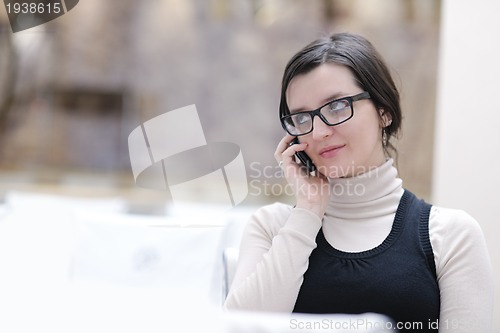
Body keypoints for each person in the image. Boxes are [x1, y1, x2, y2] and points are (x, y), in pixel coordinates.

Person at [224, 33, 494, 332]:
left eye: (337, 106)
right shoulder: (272, 226)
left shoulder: (450, 234)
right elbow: (239, 327)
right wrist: (309, 210)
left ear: (384, 111)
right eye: (301, 118)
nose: (318, 132)